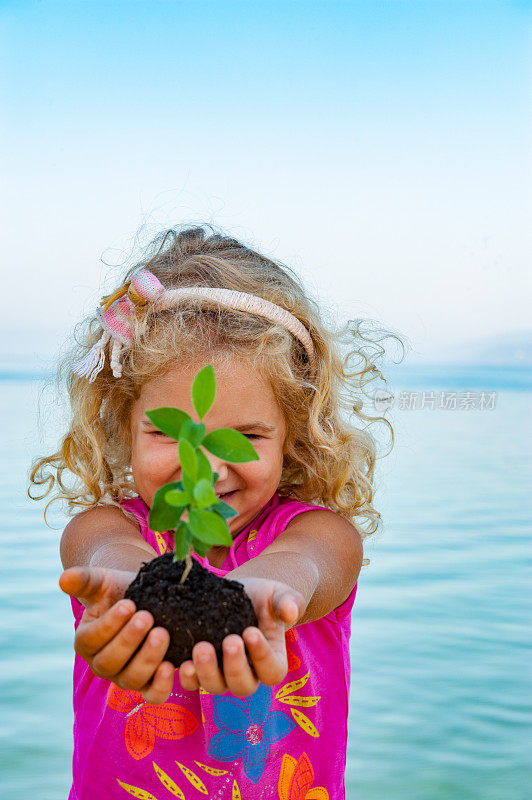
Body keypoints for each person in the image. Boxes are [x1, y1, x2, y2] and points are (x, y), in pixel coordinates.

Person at [30, 226, 398, 800]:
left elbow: (309, 562)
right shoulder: (114, 529)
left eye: (246, 435)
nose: (206, 467)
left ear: (292, 438)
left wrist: (263, 595)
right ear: (122, 428)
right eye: (170, 433)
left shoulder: (314, 532)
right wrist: (131, 589)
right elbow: (103, 549)